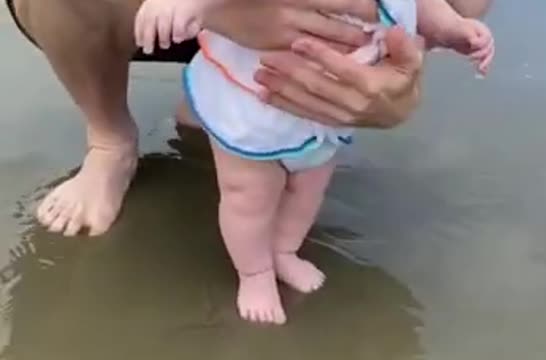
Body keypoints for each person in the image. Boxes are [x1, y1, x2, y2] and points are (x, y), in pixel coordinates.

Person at [131, 0, 494, 324]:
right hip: (257, 96)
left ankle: (285, 249)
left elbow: (422, 6)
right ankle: (254, 274)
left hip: (325, 107)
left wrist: (452, 29)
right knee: (249, 196)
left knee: (309, 186)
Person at [6, 0, 492, 238]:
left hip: (308, 38)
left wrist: (415, 61)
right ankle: (110, 137)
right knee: (245, 199)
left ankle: (228, 109)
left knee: (290, 183)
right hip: (159, 11)